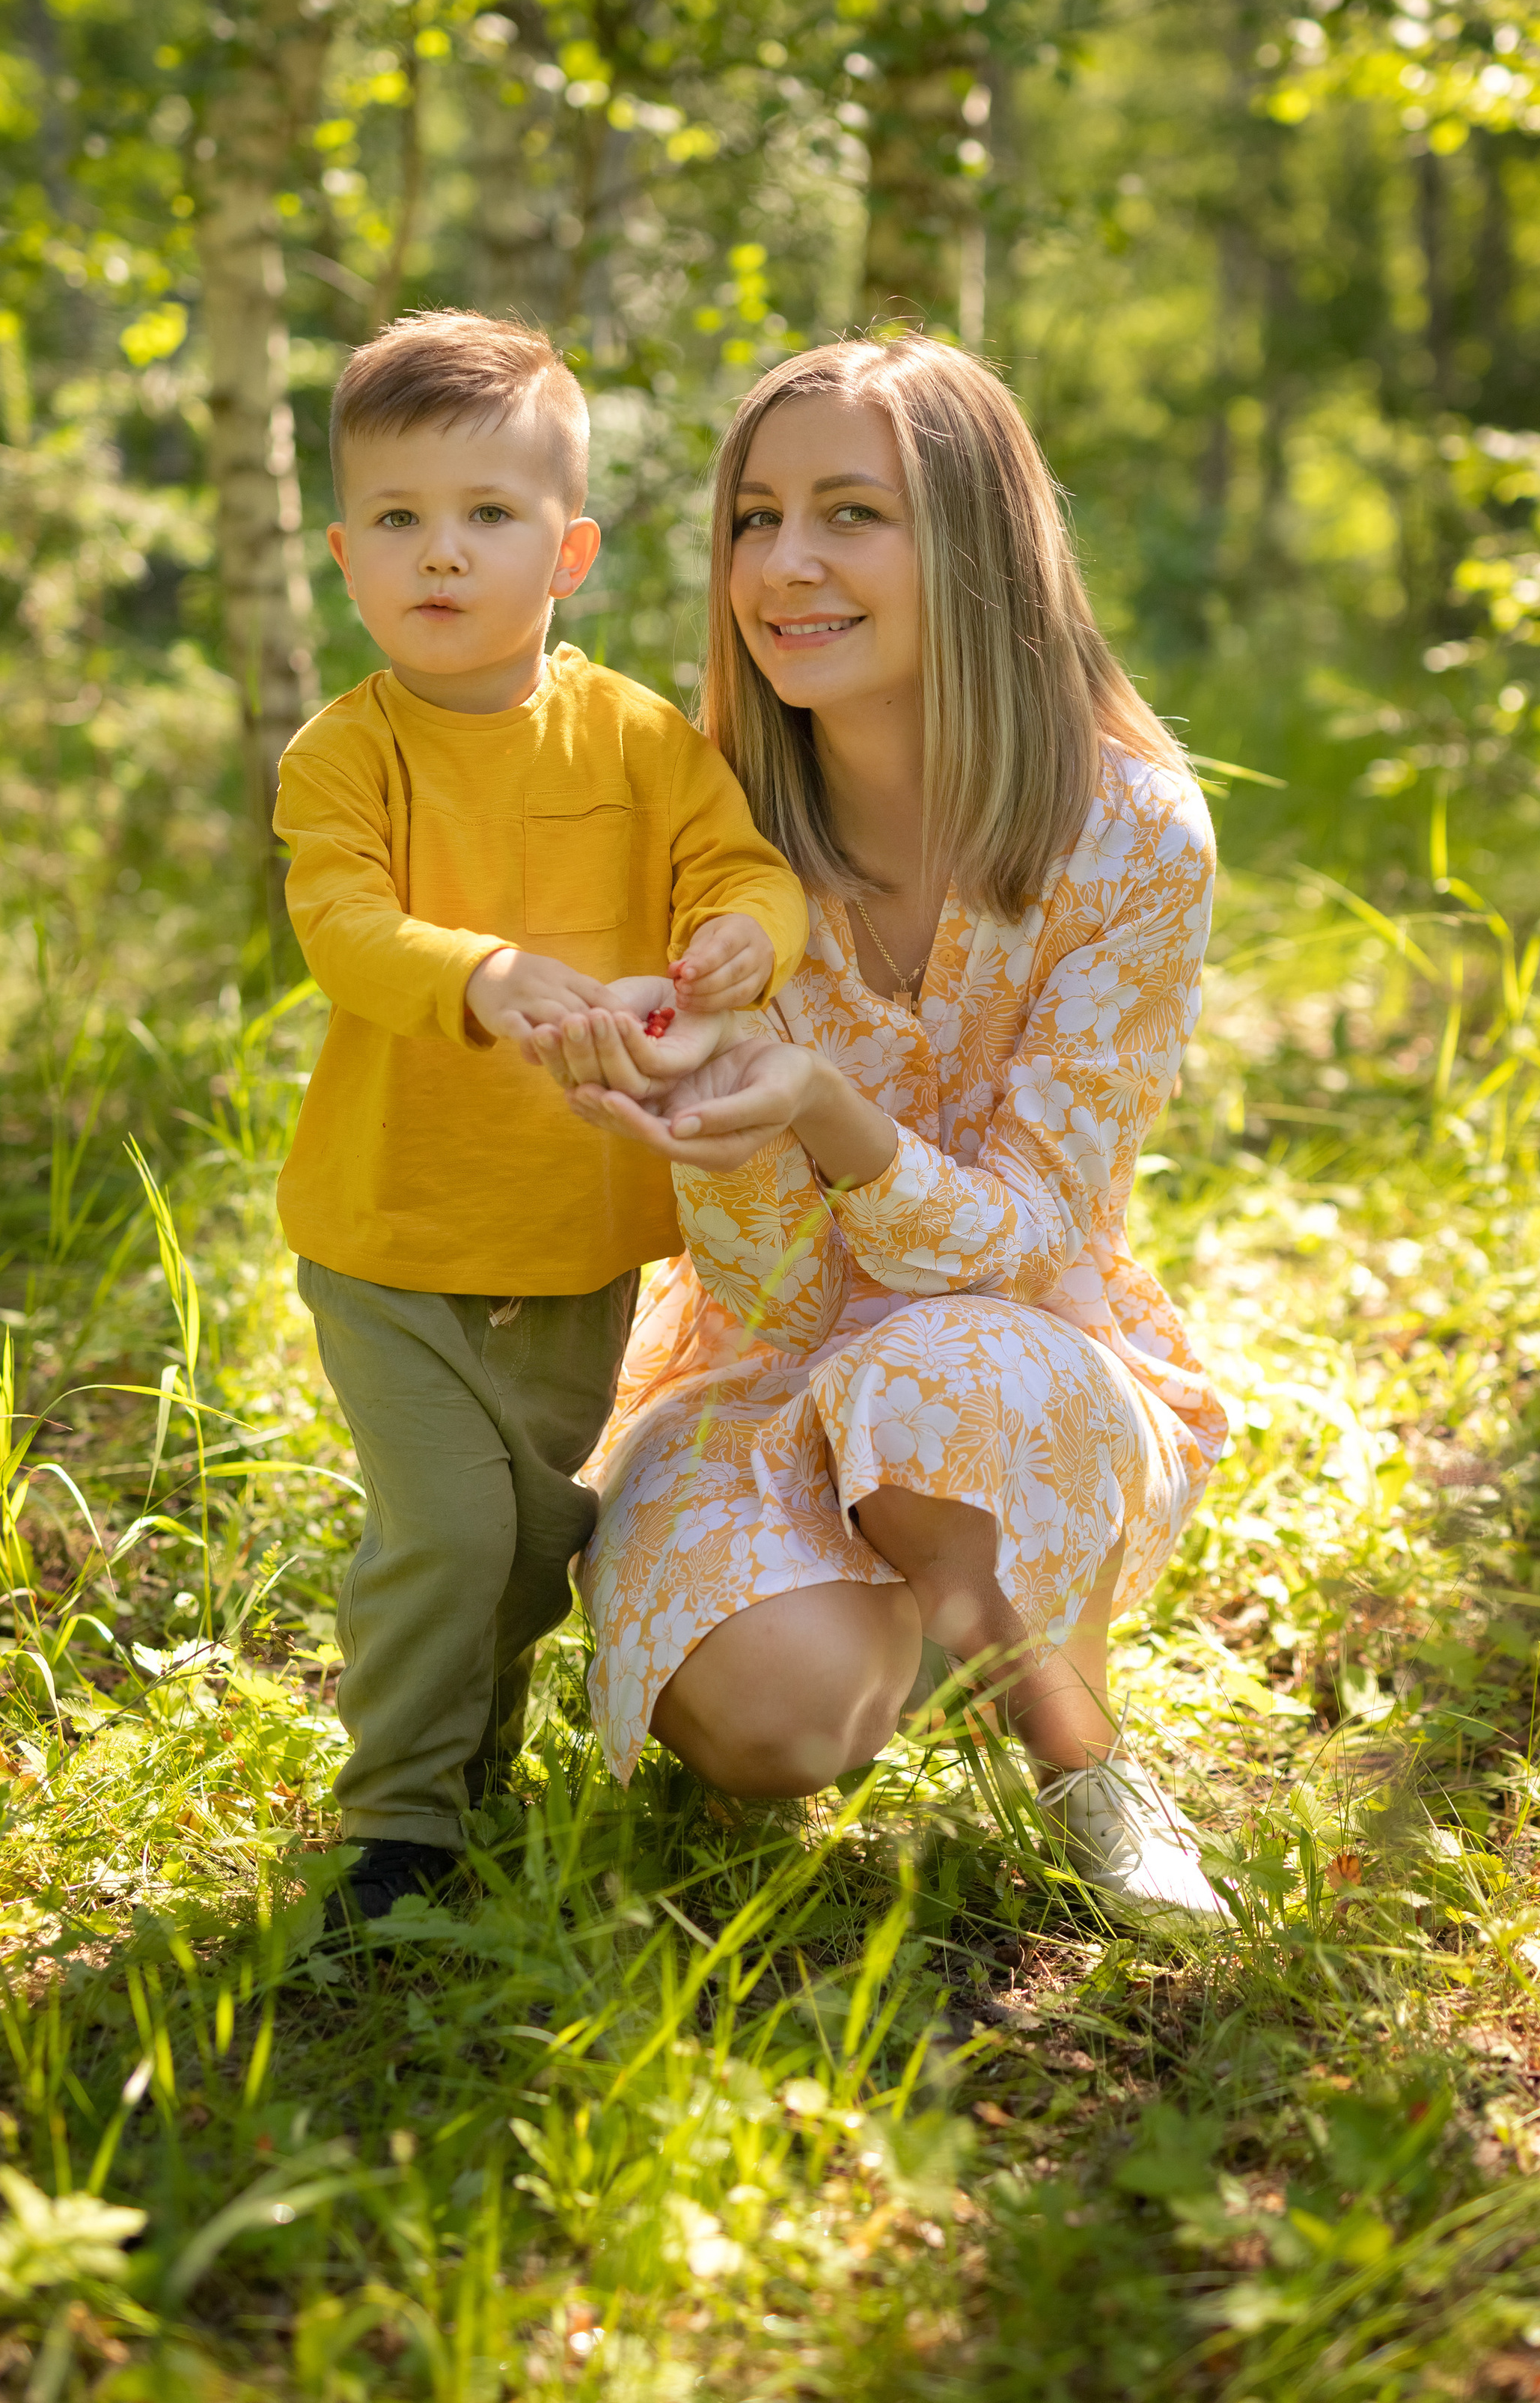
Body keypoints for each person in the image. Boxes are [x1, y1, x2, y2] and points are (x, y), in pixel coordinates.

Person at [534, 335, 1231, 1911]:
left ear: (972, 542)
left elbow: (1037, 1229)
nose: (784, 567)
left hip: (1020, 1358)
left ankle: (1076, 1751)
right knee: (773, 1726)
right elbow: (773, 1301)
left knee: (935, 1375)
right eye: (752, 519)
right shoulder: (697, 825)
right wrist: (724, 1151)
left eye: (851, 513)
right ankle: (939, 1606)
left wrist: (831, 1116)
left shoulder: (1128, 833)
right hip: (763, 1362)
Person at [273, 310, 809, 1928]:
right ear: (344, 555)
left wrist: (744, 936)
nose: (441, 555)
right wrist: (487, 971)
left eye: (487, 517)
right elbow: (344, 930)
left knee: (523, 1536)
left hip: (577, 1233)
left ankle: (475, 1754)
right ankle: (398, 1827)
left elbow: (738, 871)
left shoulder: (638, 739)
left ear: (565, 549)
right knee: (445, 1523)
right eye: (399, 520)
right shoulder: (342, 757)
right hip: (390, 1233)